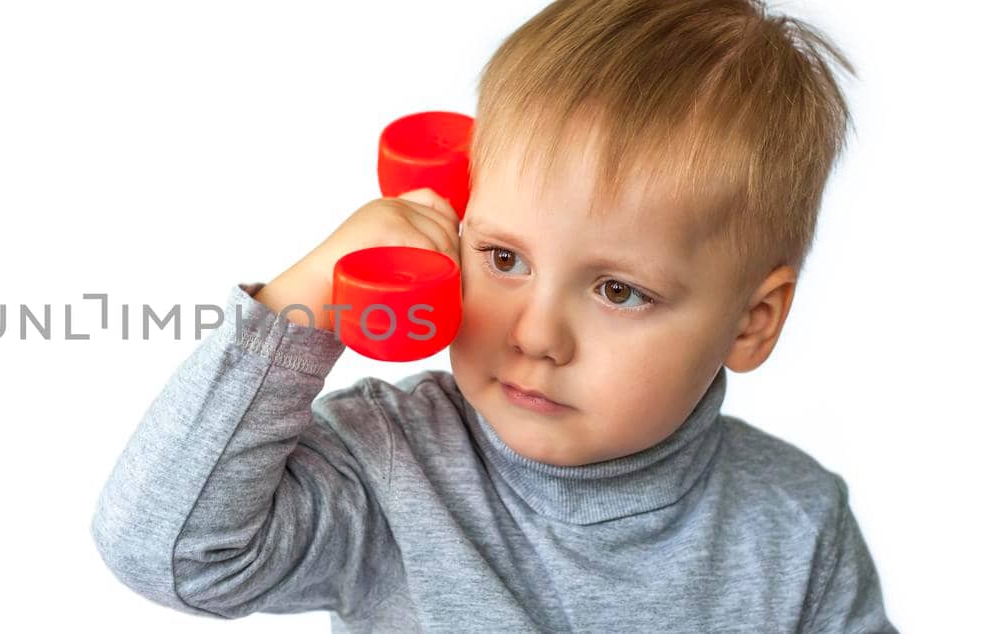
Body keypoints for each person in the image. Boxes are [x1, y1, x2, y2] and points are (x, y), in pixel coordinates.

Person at [91, 0, 893, 630]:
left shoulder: (798, 527)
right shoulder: (388, 466)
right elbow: (170, 553)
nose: (535, 335)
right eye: (504, 259)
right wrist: (302, 304)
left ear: (753, 321)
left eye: (619, 290)